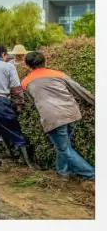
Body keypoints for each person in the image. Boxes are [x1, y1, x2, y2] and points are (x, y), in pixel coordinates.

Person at [21, 50, 95, 180]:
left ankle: (91, 173)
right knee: (64, 147)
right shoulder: (59, 74)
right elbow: (79, 90)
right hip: (72, 113)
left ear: (27, 65)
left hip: (53, 117)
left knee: (64, 149)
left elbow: (34, 101)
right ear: (44, 62)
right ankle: (63, 173)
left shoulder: (25, 82)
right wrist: (95, 102)